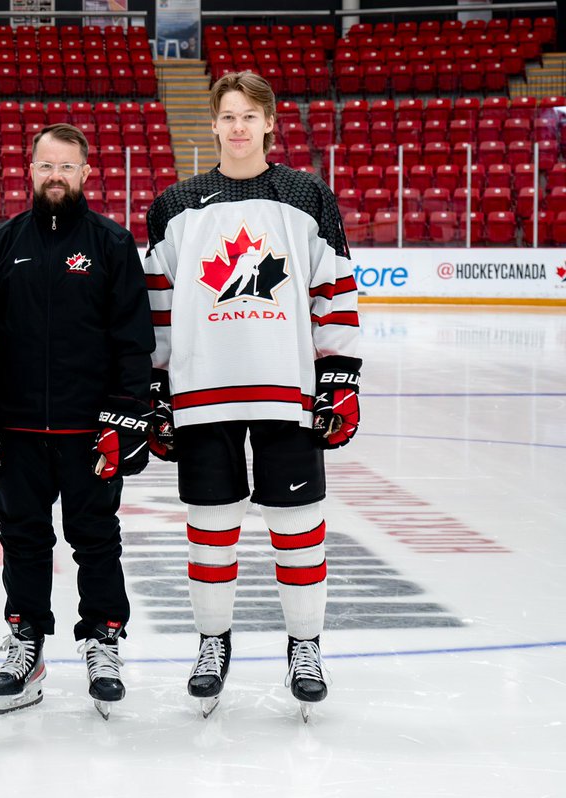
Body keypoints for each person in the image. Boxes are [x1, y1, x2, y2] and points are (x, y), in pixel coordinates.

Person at [143, 71, 362, 722]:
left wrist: (341, 379)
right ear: (211, 125)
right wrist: (156, 391)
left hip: (287, 389)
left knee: (297, 527)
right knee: (210, 528)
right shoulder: (175, 203)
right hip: (200, 392)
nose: (239, 127)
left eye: (250, 116)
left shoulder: (306, 196)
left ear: (270, 123)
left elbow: (335, 292)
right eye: (228, 116)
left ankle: (305, 646)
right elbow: (157, 307)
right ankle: (213, 642)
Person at [0, 123, 154, 720]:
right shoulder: (1, 244)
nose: (55, 176)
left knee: (96, 539)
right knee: (22, 539)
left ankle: (102, 638)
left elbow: (133, 341)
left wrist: (126, 419)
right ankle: (27, 640)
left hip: (89, 432)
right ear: (29, 169)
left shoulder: (111, 243)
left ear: (85, 173)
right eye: (46, 165)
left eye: (67, 166)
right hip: (20, 430)